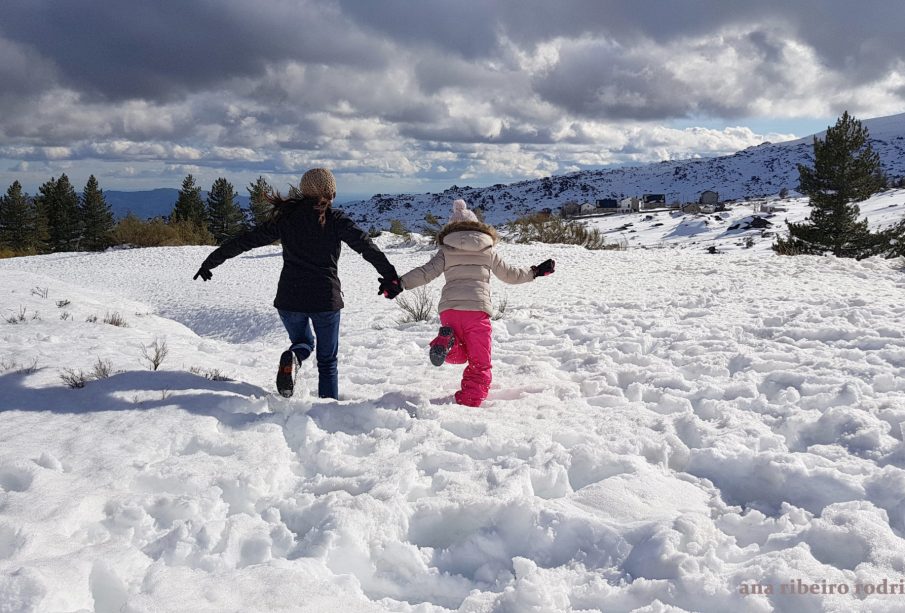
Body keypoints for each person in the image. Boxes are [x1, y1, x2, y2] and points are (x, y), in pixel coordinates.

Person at [193, 168, 402, 399]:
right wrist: (390, 277)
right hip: (325, 299)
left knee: (302, 343)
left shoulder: (286, 218)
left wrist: (210, 262)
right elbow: (367, 247)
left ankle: (294, 358)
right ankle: (327, 410)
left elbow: (246, 240)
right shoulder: (336, 219)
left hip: (289, 298)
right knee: (327, 361)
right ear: (330, 191)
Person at [398, 199, 554, 407]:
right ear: (477, 226)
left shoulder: (446, 249)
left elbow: (426, 273)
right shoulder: (487, 249)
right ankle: (469, 402)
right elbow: (510, 275)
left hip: (450, 311)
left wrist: (400, 283)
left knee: (459, 355)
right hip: (477, 311)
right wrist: (535, 272)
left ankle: (447, 342)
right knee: (480, 363)